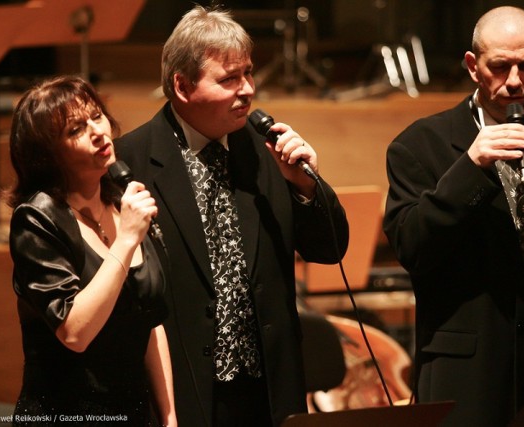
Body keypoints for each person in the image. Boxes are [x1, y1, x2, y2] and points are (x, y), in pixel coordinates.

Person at [114, 5, 349, 427]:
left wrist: (306, 187)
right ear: (182, 86)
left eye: (248, 73)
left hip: (267, 393)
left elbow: (329, 249)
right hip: (183, 395)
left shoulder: (267, 150)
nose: (247, 90)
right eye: (228, 79)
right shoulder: (131, 160)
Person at [383, 6, 524, 427]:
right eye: (499, 66)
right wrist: (470, 168)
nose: (514, 81)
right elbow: (412, 247)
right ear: (473, 66)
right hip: (464, 374)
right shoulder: (418, 145)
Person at [6, 76, 177, 426]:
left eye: (97, 117)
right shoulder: (37, 219)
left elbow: (149, 321)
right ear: (47, 154)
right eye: (76, 130)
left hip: (133, 412)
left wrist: (169, 416)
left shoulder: (120, 199)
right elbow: (75, 332)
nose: (98, 132)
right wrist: (127, 240)